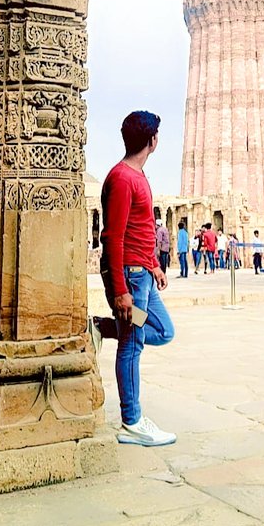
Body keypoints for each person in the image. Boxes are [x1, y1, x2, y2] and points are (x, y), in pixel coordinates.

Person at [93, 110, 176, 447]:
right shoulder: (123, 179)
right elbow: (113, 237)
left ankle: (103, 327)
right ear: (152, 141)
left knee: (163, 330)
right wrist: (120, 291)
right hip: (130, 276)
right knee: (132, 344)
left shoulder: (138, 176)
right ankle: (132, 421)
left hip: (143, 272)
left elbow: (139, 230)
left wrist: (154, 263)